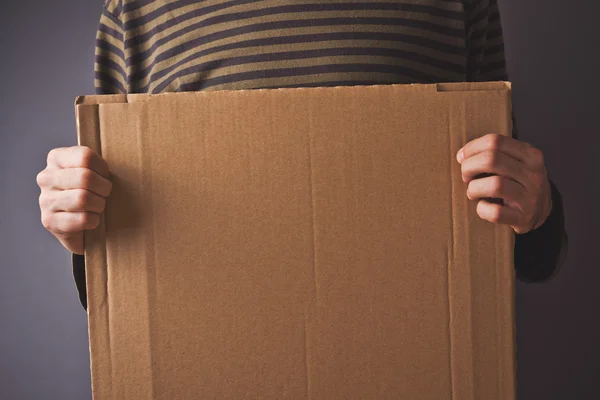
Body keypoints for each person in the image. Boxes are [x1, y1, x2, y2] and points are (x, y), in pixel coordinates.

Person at [36, 0, 568, 310]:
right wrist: (80, 228)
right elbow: (113, 286)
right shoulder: (139, 8)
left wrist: (537, 212)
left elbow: (513, 241)